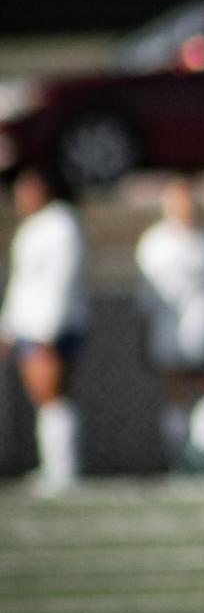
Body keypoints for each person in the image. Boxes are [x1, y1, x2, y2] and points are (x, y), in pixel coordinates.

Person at [0, 163, 89, 493]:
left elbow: (60, 280)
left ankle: (63, 470)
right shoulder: (33, 228)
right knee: (47, 399)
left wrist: (47, 330)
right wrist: (8, 327)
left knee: (52, 396)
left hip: (48, 327)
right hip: (31, 326)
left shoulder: (61, 224)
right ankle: (55, 468)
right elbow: (21, 284)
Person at [135, 178, 204, 473]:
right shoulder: (155, 244)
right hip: (171, 333)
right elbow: (148, 296)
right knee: (176, 393)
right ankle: (182, 459)